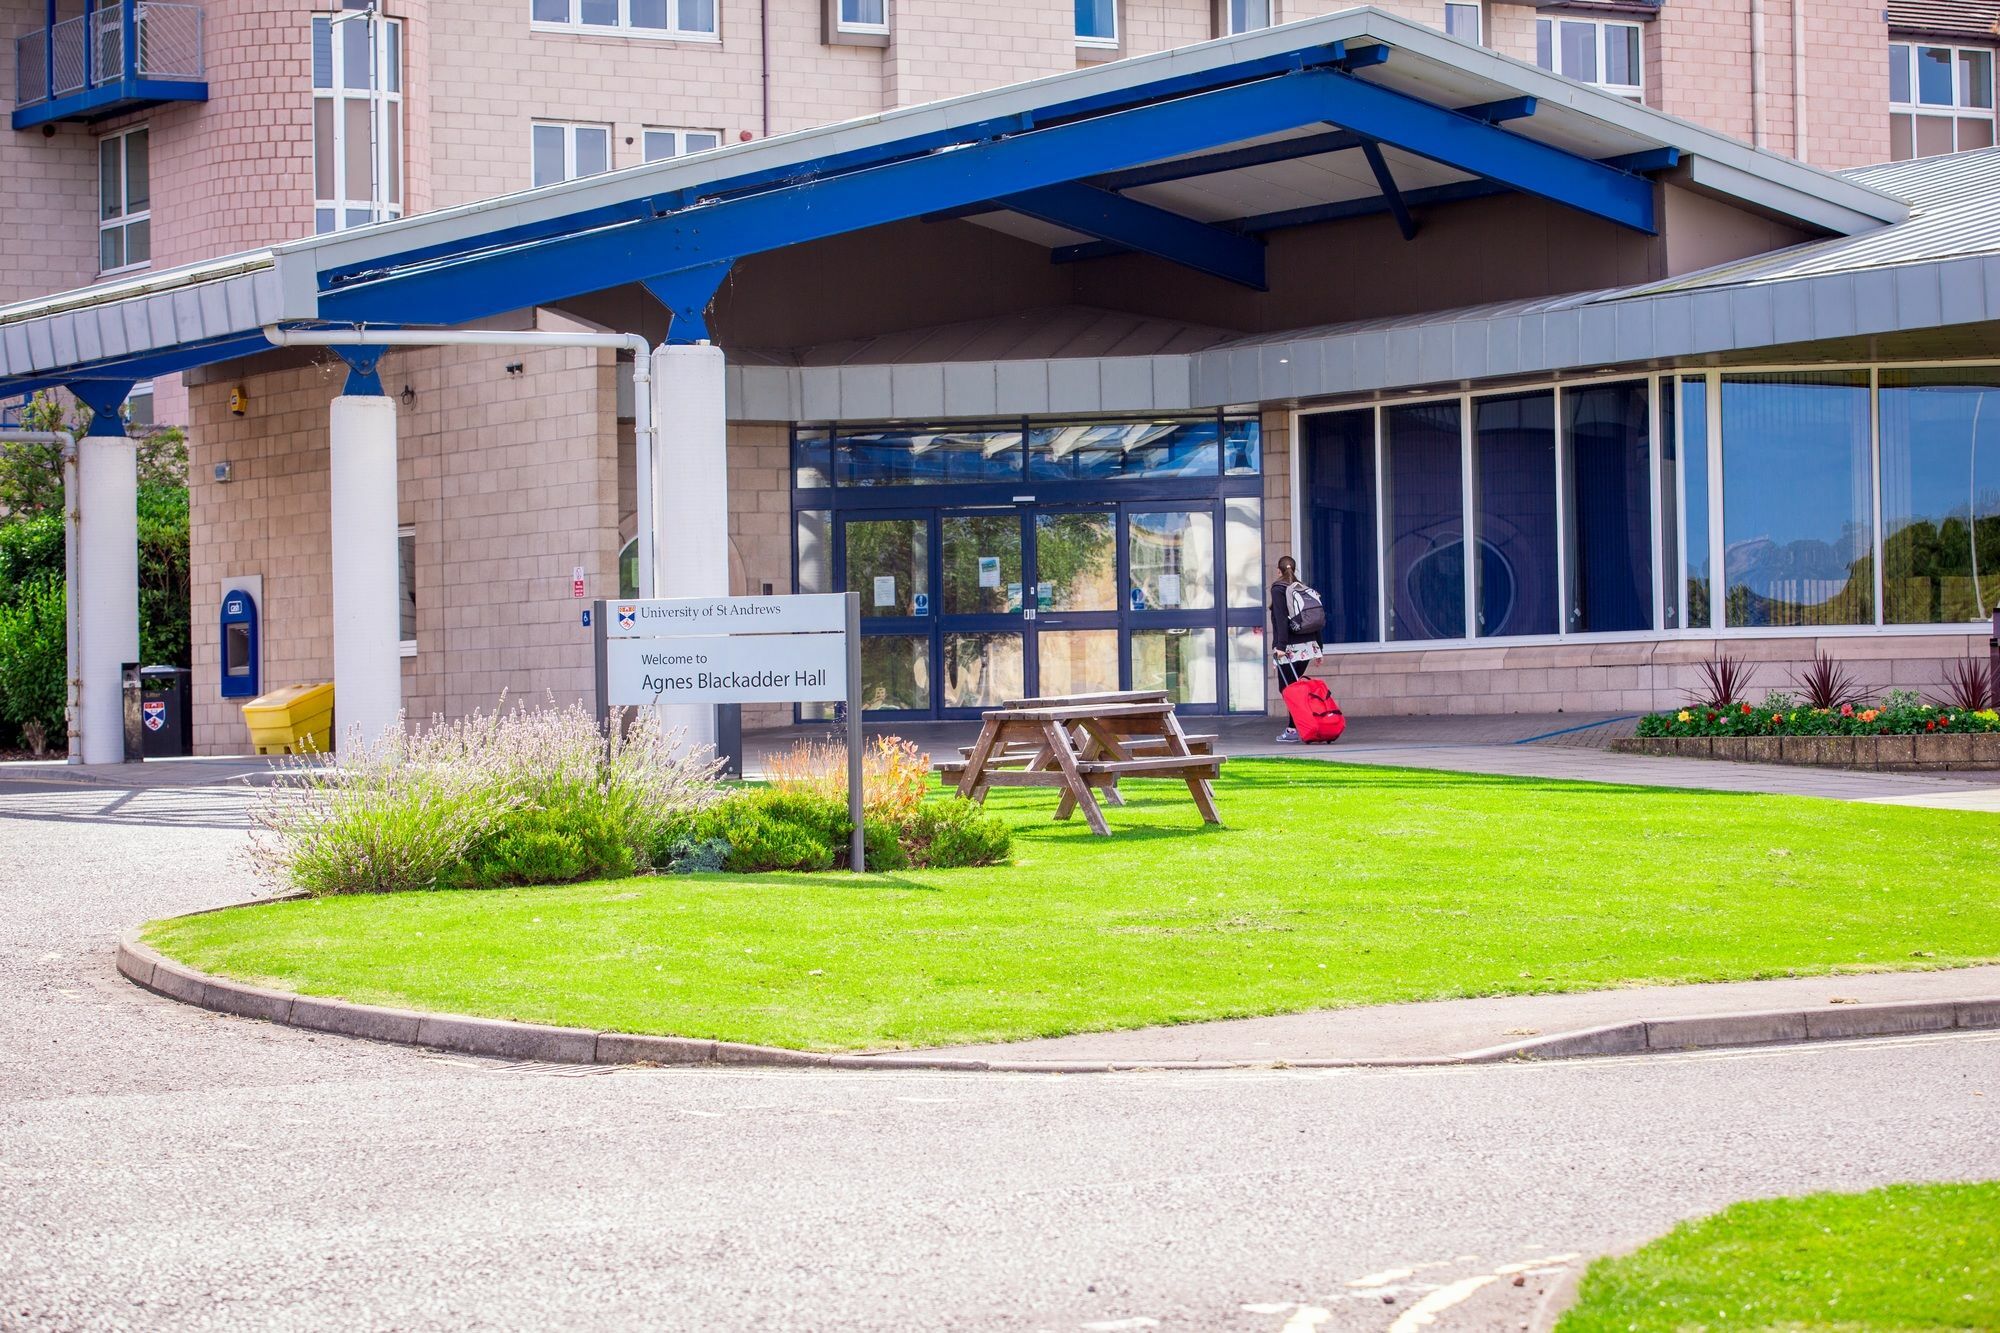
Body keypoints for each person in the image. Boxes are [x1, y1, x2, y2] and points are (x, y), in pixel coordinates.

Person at [1269, 555, 1322, 742]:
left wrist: (1280, 646)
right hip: (1308, 647)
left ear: (1278, 571)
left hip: (1289, 648)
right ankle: (1302, 725)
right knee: (1294, 687)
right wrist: (1318, 648)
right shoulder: (1303, 588)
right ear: (1294, 569)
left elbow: (1281, 619)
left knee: (1288, 689)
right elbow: (1315, 619)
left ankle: (1295, 729)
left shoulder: (1278, 589)